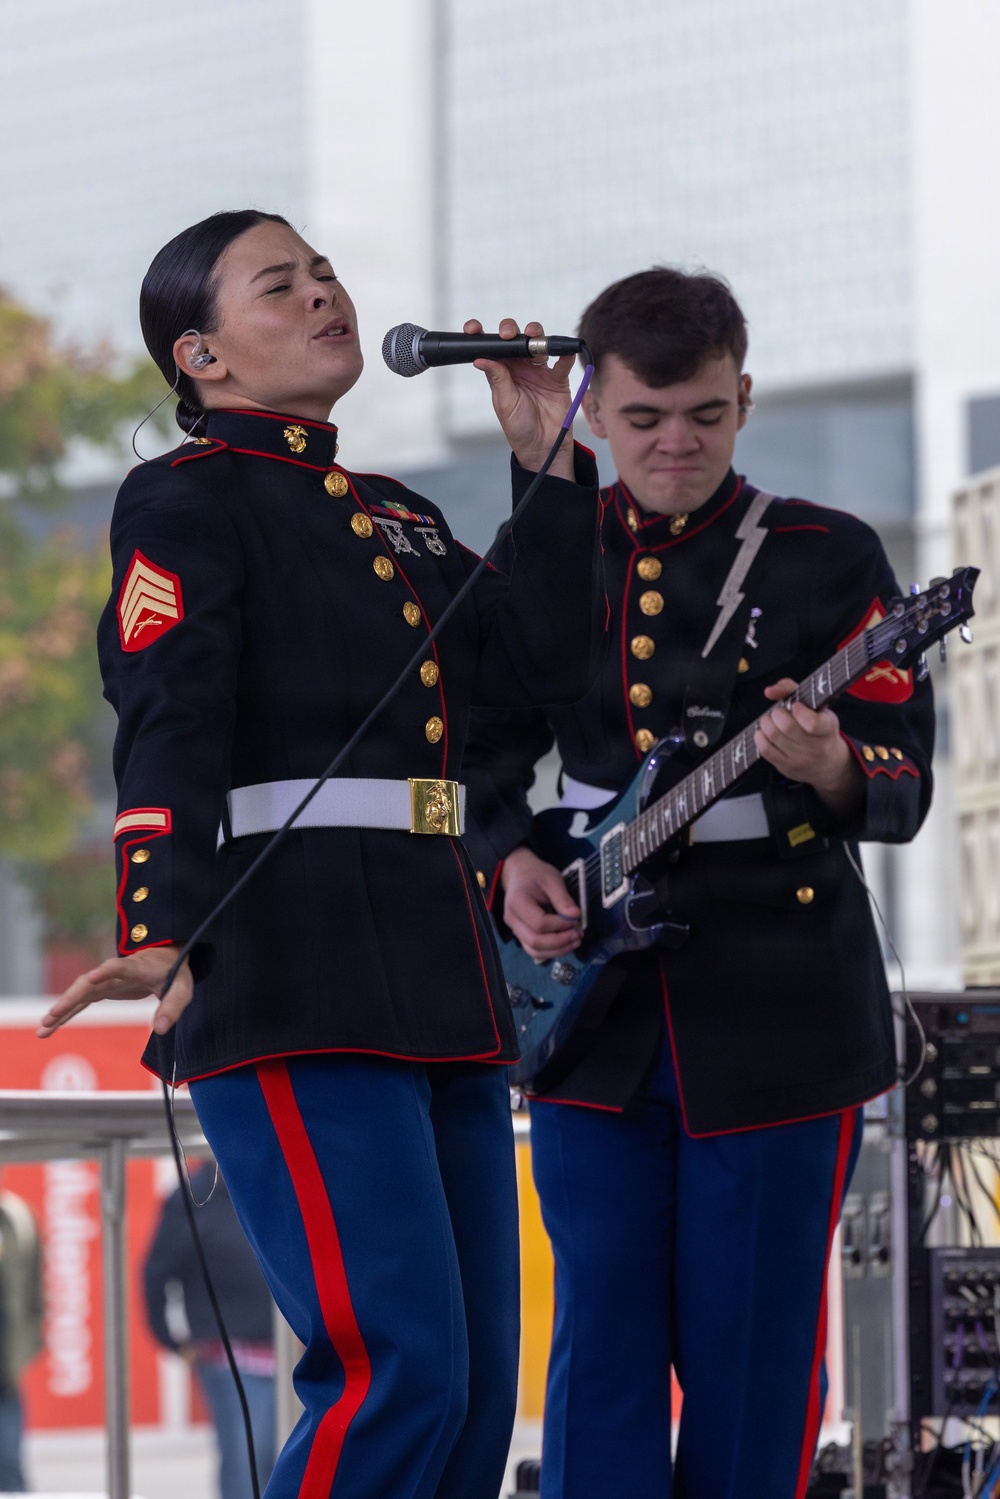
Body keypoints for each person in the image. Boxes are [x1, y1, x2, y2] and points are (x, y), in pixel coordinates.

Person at [36, 208, 606, 1499]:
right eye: (279, 285)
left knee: (472, 1387)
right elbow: (170, 711)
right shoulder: (182, 497)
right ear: (201, 358)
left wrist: (544, 461)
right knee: (394, 1369)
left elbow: (541, 668)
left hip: (439, 964)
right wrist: (159, 921)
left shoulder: (398, 516)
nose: (321, 295)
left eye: (326, 274)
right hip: (293, 963)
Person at [462, 268, 935, 1499]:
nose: (676, 442)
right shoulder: (547, 546)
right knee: (599, 1347)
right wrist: (510, 857)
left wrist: (832, 765)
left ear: (745, 398)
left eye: (706, 415)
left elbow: (904, 775)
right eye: (643, 417)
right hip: (587, 1004)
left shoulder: (829, 553)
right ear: (591, 408)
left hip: (780, 1006)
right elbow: (476, 746)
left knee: (755, 1358)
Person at [144, 1163, 276, 1499]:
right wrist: (171, 1340)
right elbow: (156, 1274)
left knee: (286, 1459)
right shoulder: (194, 1195)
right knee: (249, 1459)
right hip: (230, 1353)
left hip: (297, 1351)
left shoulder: (274, 1181)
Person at [0, 1186, 43, 1492]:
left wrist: (22, 1352)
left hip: (5, 1372)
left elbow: (33, 1293)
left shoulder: (17, 1218)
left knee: (10, 1466)